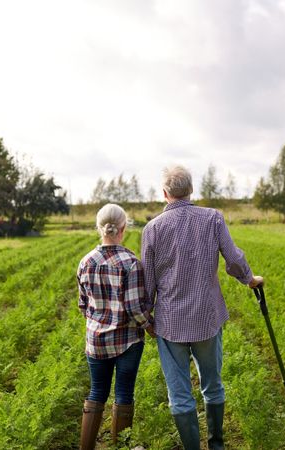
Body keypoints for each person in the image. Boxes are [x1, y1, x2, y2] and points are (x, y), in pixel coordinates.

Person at [141, 165, 263, 450]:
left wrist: (146, 317)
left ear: (165, 193)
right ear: (191, 189)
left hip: (170, 322)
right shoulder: (212, 218)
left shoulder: (153, 229)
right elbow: (233, 259)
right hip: (207, 317)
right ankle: (216, 446)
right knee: (213, 385)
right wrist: (250, 279)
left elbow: (147, 280)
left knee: (180, 395)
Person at [77, 203, 156, 450]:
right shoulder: (130, 262)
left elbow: (83, 305)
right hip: (127, 341)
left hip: (96, 341)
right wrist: (150, 326)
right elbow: (134, 307)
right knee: (123, 394)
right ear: (124, 228)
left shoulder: (85, 261)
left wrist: (98, 321)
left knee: (97, 392)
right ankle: (119, 447)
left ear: (99, 228)